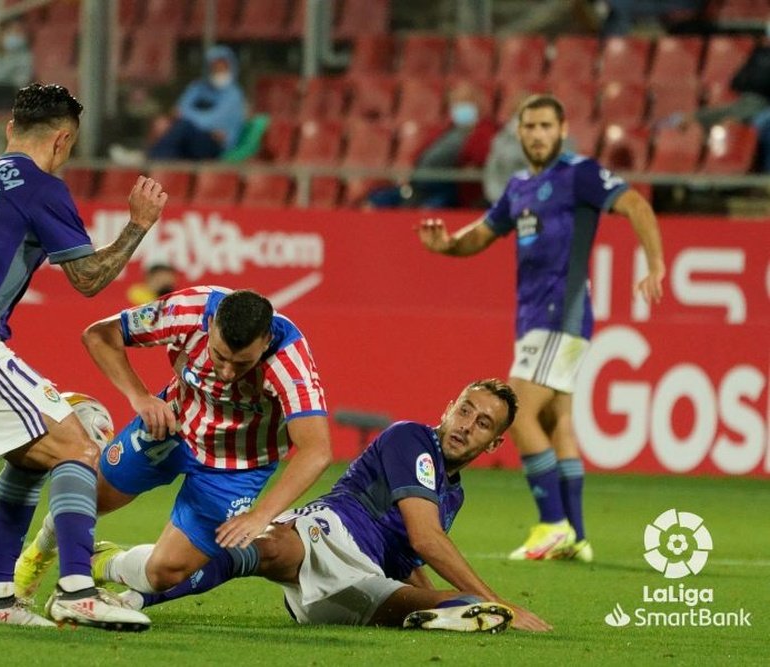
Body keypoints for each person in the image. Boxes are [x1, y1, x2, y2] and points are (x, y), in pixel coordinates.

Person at [0, 83, 167, 629]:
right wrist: (137, 224)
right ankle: (76, 589)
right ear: (64, 139)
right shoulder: (42, 187)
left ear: (9, 131)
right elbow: (88, 279)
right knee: (83, 439)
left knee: (33, 456)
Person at [82, 380, 552, 633]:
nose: (468, 425)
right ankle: (123, 577)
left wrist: (479, 602)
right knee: (263, 549)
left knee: (465, 608)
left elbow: (410, 553)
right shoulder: (410, 438)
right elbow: (426, 538)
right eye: (465, 410)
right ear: (449, 407)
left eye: (483, 423)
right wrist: (500, 597)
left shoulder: (455, 492)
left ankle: (445, 614)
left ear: (494, 443)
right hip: (327, 535)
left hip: (362, 582)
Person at [416, 94, 665, 562]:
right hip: (533, 320)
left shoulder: (581, 174)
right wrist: (447, 246)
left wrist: (655, 263)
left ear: (563, 128)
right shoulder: (518, 188)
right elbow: (482, 234)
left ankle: (551, 523)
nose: (536, 134)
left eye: (545, 126)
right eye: (529, 126)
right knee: (557, 421)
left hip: (560, 315)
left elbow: (636, 206)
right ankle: (576, 535)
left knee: (519, 409)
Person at [14, 286, 333, 606]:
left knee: (165, 573)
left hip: (236, 467)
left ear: (265, 341)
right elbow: (99, 335)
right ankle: (38, 554)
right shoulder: (187, 310)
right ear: (210, 326)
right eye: (220, 356)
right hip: (170, 427)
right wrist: (139, 396)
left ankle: (105, 562)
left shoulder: (291, 363)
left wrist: (261, 515)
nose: (227, 372)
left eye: (242, 364)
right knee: (87, 499)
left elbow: (316, 451)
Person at [366, 80, 497, 209]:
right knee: (374, 200)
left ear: (478, 104)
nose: (460, 106)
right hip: (418, 186)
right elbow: (422, 156)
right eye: (456, 102)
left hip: (450, 190)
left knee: (426, 214)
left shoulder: (486, 131)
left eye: (466, 101)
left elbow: (486, 160)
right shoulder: (444, 130)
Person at [109, 45, 247, 164]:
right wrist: (195, 121)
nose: (218, 72)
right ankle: (145, 162)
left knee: (182, 126)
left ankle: (145, 157)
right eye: (215, 68)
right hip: (191, 139)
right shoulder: (197, 87)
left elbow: (211, 119)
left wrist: (188, 118)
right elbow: (179, 109)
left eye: (222, 68)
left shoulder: (234, 95)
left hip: (215, 145)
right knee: (166, 130)